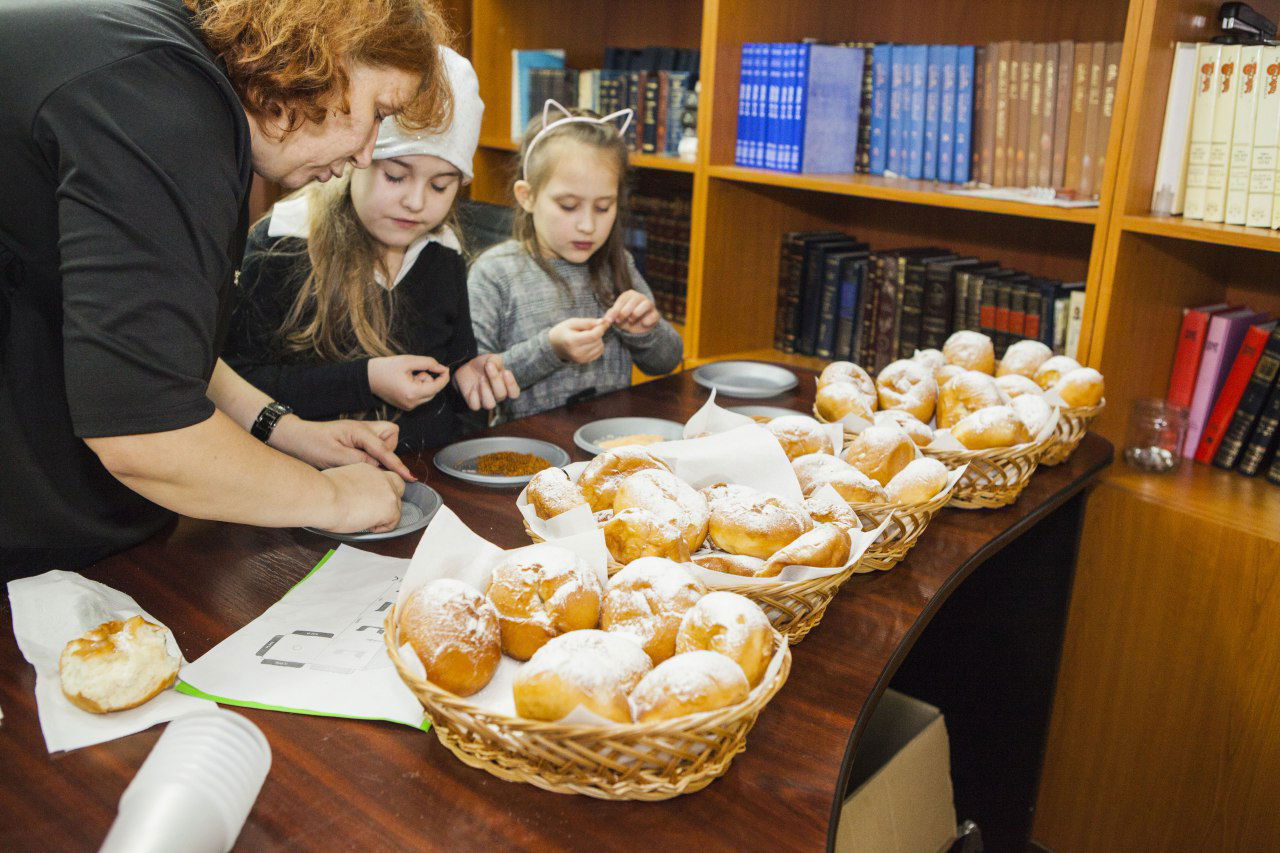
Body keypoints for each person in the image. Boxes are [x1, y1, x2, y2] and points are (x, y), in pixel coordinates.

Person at [0, 0, 456, 574]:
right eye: (379, 112)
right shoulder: (161, 105)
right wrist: (334, 498)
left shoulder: (167, 78)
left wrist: (283, 428)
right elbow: (145, 433)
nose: (365, 153)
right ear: (318, 56)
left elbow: (145, 346)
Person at [224, 48, 518, 455]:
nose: (416, 202)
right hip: (307, 484)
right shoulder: (284, 244)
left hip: (425, 481)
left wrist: (468, 375)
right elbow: (238, 384)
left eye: (440, 186)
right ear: (355, 158)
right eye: (396, 176)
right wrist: (365, 381)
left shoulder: (443, 251)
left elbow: (454, 364)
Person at [467, 102, 684, 422]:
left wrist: (647, 332)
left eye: (603, 207)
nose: (587, 225)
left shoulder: (617, 264)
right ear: (527, 196)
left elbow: (666, 362)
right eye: (569, 206)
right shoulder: (495, 274)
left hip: (608, 443)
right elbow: (478, 383)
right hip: (529, 452)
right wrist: (550, 349)